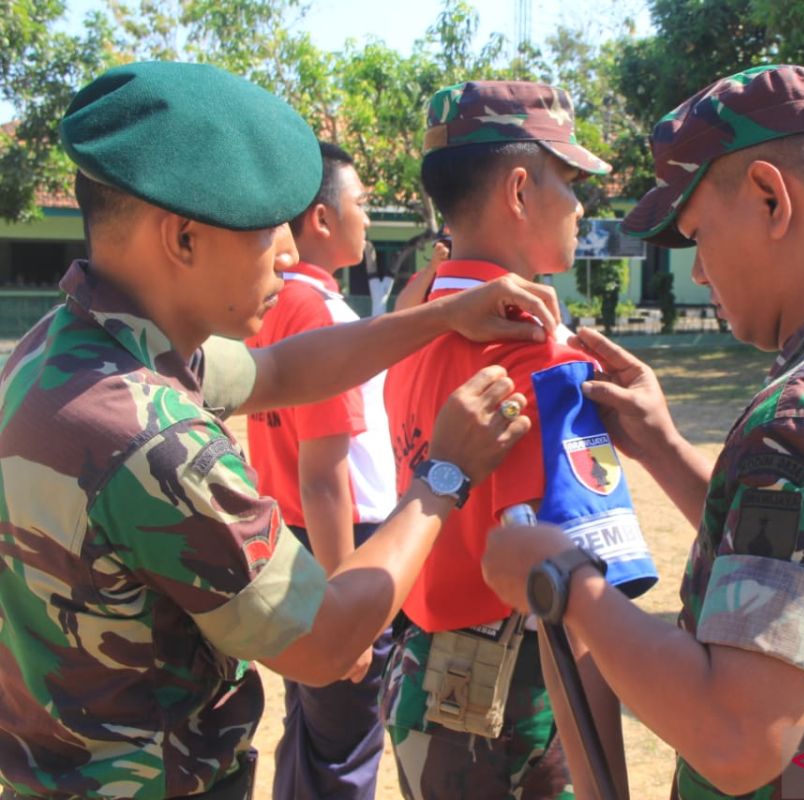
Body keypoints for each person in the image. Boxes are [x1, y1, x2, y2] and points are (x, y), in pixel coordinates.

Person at [0, 60, 564, 800]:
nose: (291, 253)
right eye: (268, 232)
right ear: (184, 239)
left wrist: (439, 316)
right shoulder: (155, 443)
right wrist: (444, 476)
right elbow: (328, 641)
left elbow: (279, 373)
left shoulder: (68, 350)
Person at [481, 64, 804, 799]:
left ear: (769, 197)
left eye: (699, 234)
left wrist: (568, 584)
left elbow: (738, 739)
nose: (698, 272)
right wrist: (664, 448)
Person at [379, 80, 658, 800]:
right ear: (519, 190)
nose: (579, 205)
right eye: (569, 181)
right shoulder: (543, 357)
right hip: (521, 714)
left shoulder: (411, 327)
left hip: (424, 694)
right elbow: (582, 612)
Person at [243, 141, 396, 800]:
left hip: (289, 537)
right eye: (360, 204)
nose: (368, 218)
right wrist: (342, 613)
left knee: (310, 729)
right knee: (345, 747)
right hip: (340, 543)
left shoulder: (271, 302)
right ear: (321, 219)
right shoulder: (320, 313)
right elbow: (325, 473)